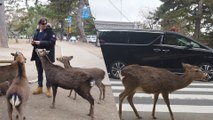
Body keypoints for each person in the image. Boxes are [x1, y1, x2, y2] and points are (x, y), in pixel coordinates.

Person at [31, 18, 56, 97]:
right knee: (39, 71)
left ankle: (48, 88)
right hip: (38, 54)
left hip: (46, 56)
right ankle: (40, 87)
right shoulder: (37, 31)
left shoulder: (50, 31)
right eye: (42, 24)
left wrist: (40, 42)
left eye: (45, 24)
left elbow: (52, 42)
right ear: (39, 24)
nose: (44, 26)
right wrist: (33, 43)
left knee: (48, 72)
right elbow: (35, 41)